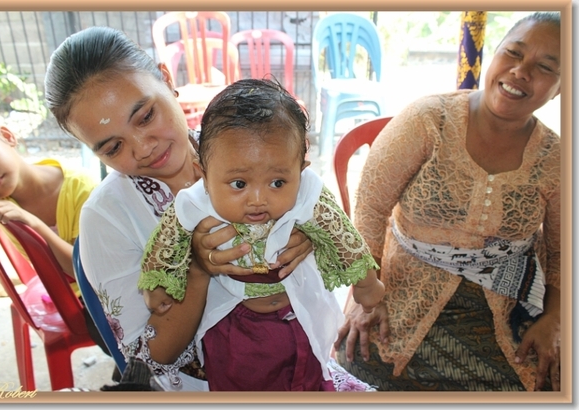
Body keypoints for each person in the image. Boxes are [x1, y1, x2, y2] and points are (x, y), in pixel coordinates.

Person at [43, 26, 316, 392]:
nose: (142, 148)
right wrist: (198, 271)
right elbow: (150, 358)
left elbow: (318, 206)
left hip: (307, 362)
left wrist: (310, 237)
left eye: (144, 117)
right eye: (113, 149)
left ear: (167, 79)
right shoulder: (105, 219)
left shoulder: (247, 150)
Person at [334, 11, 561, 392]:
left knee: (545, 379)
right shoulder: (429, 120)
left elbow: (561, 252)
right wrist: (364, 294)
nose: (521, 71)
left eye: (545, 66)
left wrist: (555, 318)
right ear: (496, 54)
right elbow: (370, 210)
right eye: (514, 53)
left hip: (505, 301)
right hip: (401, 292)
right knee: (360, 359)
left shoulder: (557, 159)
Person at [138, 78, 385, 391]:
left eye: (277, 183)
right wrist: (157, 283)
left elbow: (342, 235)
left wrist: (366, 283)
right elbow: (164, 244)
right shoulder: (194, 201)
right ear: (204, 172)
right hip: (232, 320)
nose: (258, 199)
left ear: (301, 168)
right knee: (237, 383)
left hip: (297, 309)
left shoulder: (308, 193)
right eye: (239, 184)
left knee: (307, 375)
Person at [0, 118, 118, 376]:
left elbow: (84, 272)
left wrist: (36, 225)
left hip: (99, 287)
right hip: (67, 294)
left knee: (115, 323)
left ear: (7, 136)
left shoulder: (81, 190)